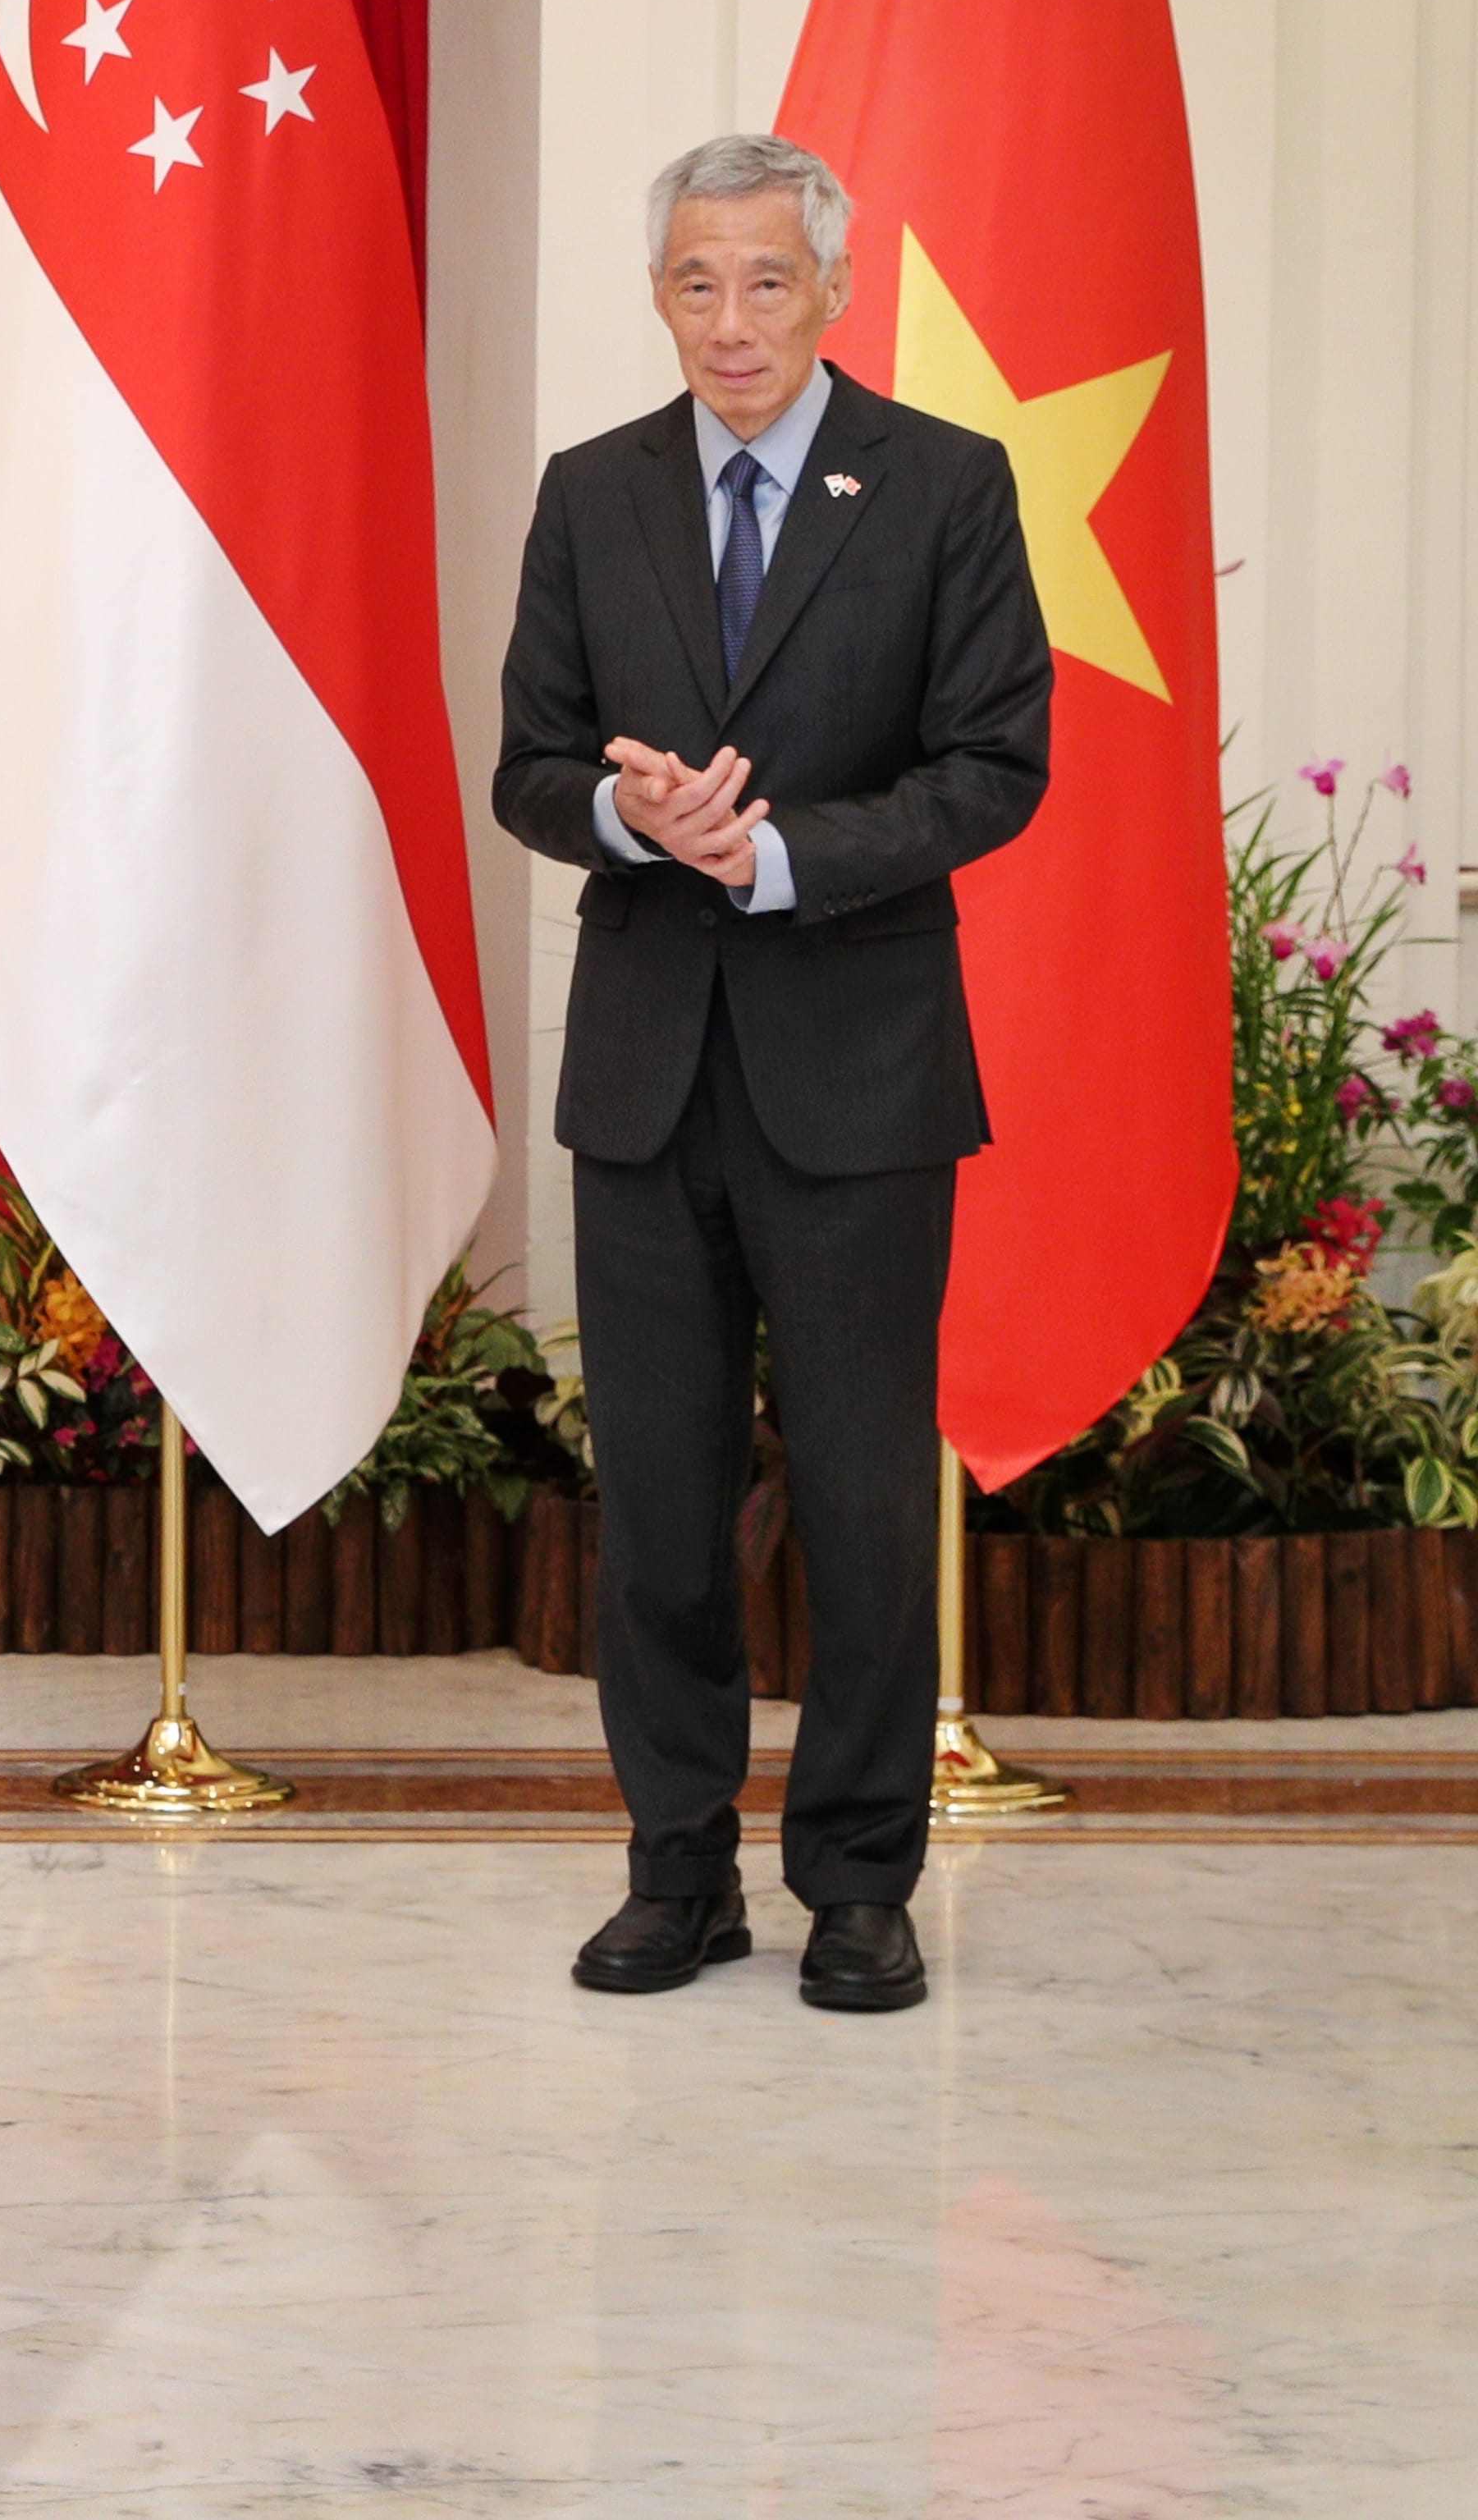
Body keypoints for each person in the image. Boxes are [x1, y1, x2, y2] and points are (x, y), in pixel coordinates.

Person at [493, 132, 1053, 2015]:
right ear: (658, 294)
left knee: (870, 1498)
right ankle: (678, 1872)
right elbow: (529, 766)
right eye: (692, 283)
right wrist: (634, 820)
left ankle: (861, 1880)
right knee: (654, 1499)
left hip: (861, 1074)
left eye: (763, 282)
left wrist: (787, 850)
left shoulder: (944, 486)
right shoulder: (591, 494)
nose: (728, 321)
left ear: (831, 286)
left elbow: (996, 763)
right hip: (650, 1075)